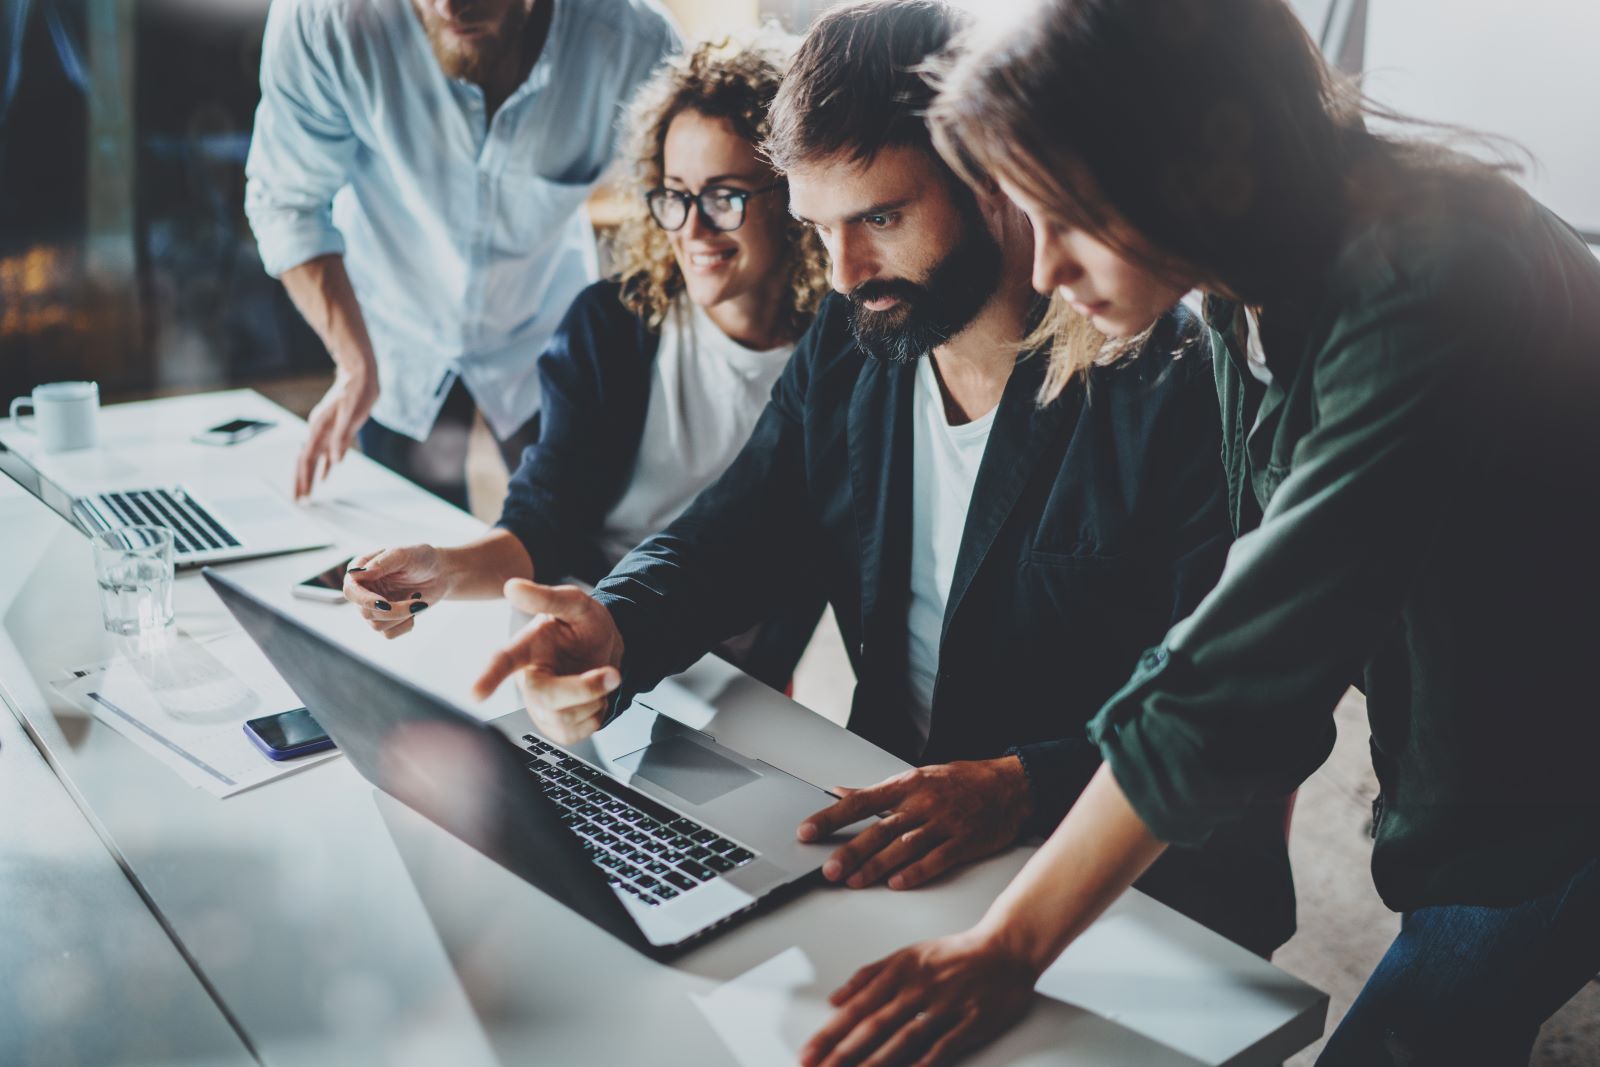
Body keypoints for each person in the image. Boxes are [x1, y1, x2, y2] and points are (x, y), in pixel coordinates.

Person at [802, 1, 1600, 1064]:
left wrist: (1007, 941)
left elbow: (1240, 670)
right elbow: (1238, 611)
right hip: (1476, 713)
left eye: (1069, 218)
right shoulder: (1239, 277)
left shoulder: (1431, 282)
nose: (1043, 271)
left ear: (1183, 164)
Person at [467, 0, 1296, 959]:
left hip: (1111, 880)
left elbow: (1241, 715)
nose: (849, 269)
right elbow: (741, 525)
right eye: (820, 229)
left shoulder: (1171, 376)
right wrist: (614, 621)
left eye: (882, 217)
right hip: (890, 827)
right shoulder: (858, 332)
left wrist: (1017, 783)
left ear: (991, 176)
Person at [341, 35, 831, 687]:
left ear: (792, 196)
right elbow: (541, 521)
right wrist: (443, 569)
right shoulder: (610, 328)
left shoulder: (839, 364)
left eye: (724, 196)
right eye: (675, 194)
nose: (691, 228)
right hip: (578, 641)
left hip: (732, 680)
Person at [244, 0, 679, 508]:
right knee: (404, 557)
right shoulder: (326, 19)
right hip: (395, 342)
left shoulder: (637, 47)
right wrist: (354, 361)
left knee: (574, 543)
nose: (448, 5)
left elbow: (682, 210)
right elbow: (289, 203)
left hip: (543, 332)